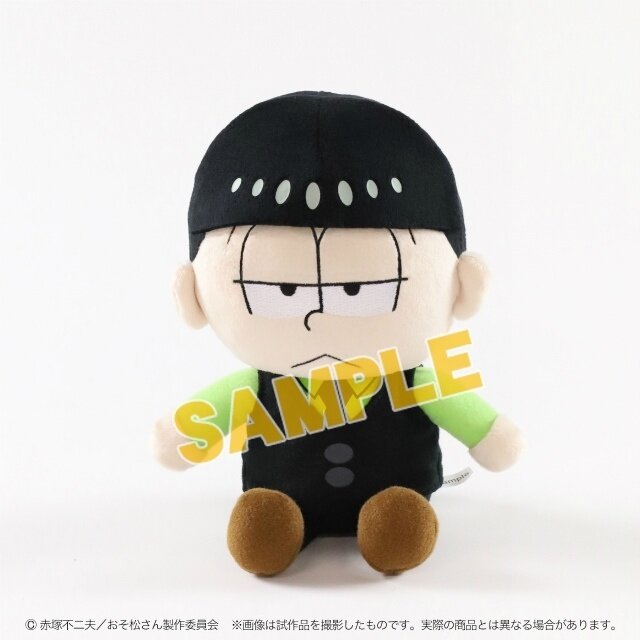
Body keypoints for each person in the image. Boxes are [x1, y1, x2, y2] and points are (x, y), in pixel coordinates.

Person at [153, 91, 524, 576]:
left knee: (398, 521)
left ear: (464, 287)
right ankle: (276, 518)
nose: (317, 319)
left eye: (359, 291)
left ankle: (395, 516)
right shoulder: (257, 387)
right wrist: (180, 436)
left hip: (395, 491)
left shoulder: (416, 381)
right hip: (281, 494)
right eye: (281, 292)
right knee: (263, 530)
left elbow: (475, 420)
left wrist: (491, 434)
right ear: (194, 296)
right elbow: (188, 433)